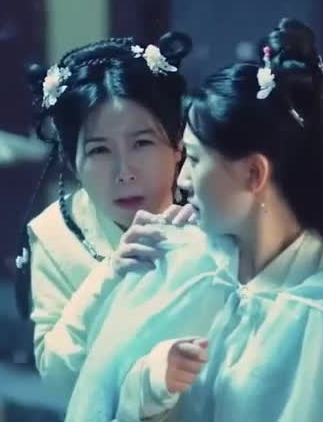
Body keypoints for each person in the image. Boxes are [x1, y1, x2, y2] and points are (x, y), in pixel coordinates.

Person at [55, 18, 323, 422]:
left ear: (253, 174)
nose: (182, 180)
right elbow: (98, 406)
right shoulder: (183, 259)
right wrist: (151, 380)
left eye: (195, 159)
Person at [13, 32, 196, 401]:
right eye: (99, 151)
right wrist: (110, 275)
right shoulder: (55, 235)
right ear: (71, 162)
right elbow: (58, 376)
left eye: (142, 143)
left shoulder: (215, 211)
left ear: (178, 145)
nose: (124, 172)